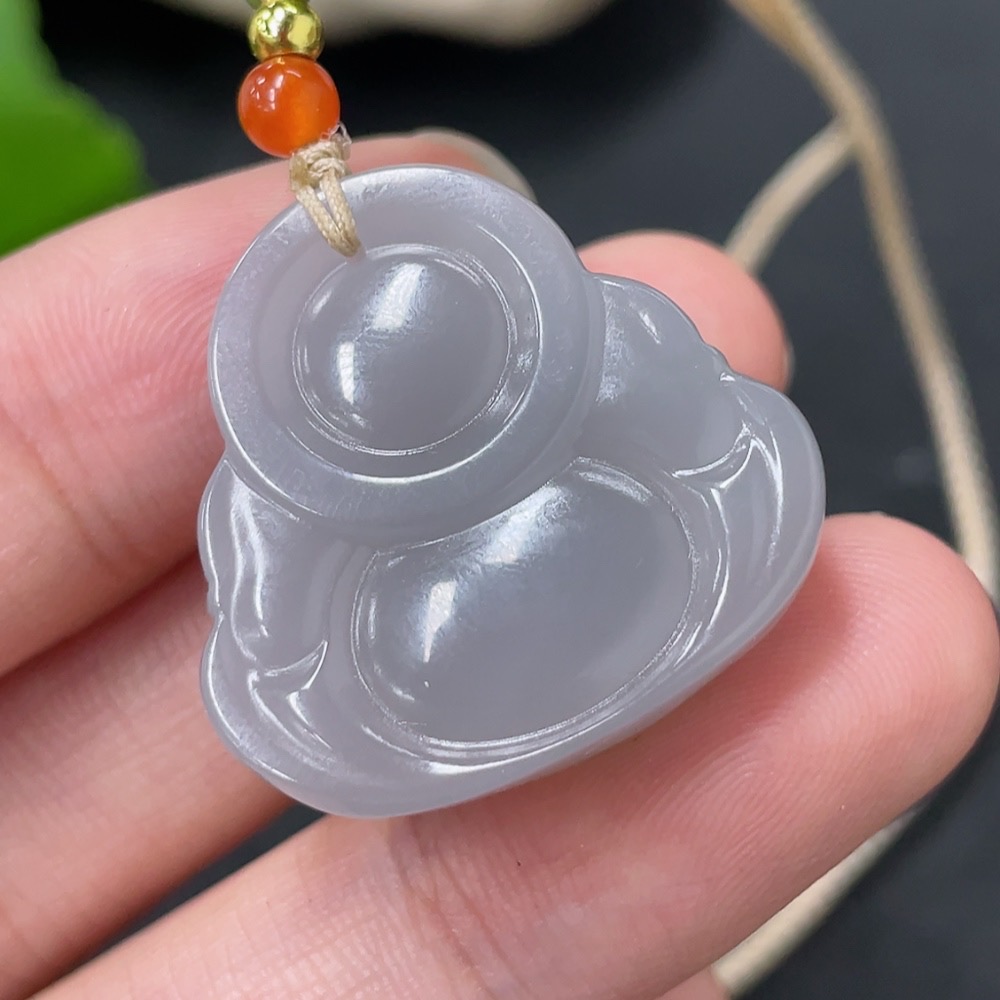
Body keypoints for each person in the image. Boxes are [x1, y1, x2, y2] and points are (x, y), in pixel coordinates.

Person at [0, 131, 997, 1000]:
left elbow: (704, 423)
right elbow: (271, 634)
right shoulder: (266, 501)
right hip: (417, 673)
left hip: (648, 565)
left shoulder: (607, 342)